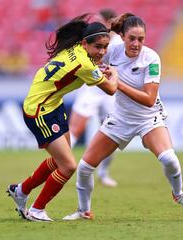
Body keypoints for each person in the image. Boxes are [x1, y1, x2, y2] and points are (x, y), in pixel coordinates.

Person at [63, 13, 183, 221]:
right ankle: (83, 212)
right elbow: (91, 55)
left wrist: (117, 83)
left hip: (148, 118)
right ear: (122, 37)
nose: (136, 44)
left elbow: (149, 99)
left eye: (141, 39)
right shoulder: (113, 51)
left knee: (169, 159)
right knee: (84, 168)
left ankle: (179, 194)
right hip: (120, 118)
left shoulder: (152, 58)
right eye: (132, 39)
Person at [6, 14, 118, 222]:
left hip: (53, 105)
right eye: (98, 47)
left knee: (61, 162)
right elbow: (111, 89)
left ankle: (20, 191)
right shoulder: (85, 64)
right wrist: (115, 73)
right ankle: (37, 209)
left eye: (105, 47)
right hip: (39, 110)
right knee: (68, 166)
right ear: (85, 43)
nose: (102, 52)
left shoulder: (76, 48)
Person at [69, 8, 123, 187]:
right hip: (91, 87)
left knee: (112, 133)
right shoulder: (93, 40)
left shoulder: (116, 43)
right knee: (76, 128)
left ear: (108, 22)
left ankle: (104, 173)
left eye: (100, 20)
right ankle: (62, 165)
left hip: (109, 90)